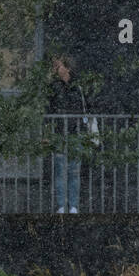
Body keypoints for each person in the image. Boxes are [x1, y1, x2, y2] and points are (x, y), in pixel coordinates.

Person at [48, 55, 91, 214]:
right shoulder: (54, 87)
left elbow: (85, 108)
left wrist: (84, 129)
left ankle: (73, 206)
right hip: (61, 133)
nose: (55, 70)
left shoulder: (77, 88)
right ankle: (61, 205)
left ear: (67, 68)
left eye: (58, 66)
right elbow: (48, 108)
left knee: (73, 170)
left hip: (75, 133)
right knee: (61, 170)